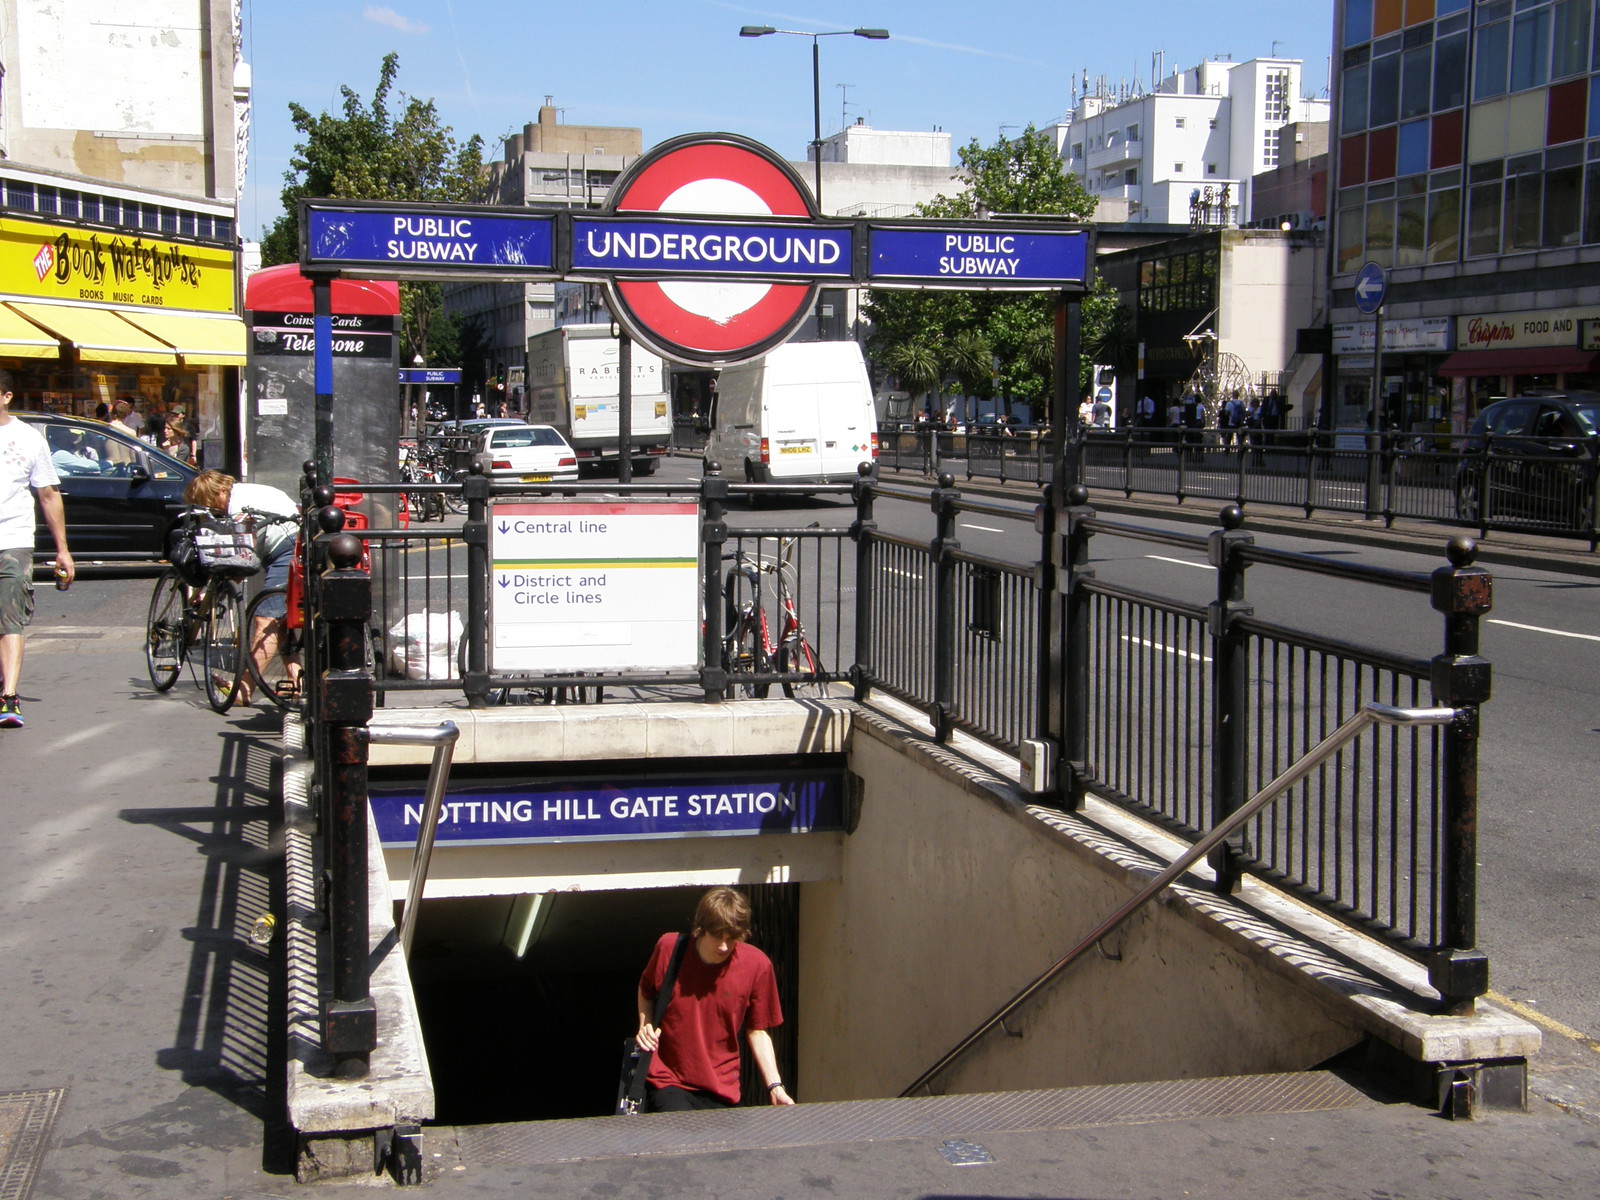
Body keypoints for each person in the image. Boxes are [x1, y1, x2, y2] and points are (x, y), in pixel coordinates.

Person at [634, 886, 791, 1112]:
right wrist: (645, 1024)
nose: (724, 946)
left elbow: (757, 1031)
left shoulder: (757, 965)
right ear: (701, 929)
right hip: (669, 1081)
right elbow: (646, 990)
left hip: (723, 1089)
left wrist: (775, 1086)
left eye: (732, 938)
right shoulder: (669, 948)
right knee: (684, 1143)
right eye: (717, 936)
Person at [183, 469, 300, 704]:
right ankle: (297, 680)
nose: (214, 510)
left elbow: (243, 557)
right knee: (279, 621)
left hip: (286, 550)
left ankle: (244, 689)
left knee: (264, 620)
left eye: (211, 503)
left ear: (221, 491)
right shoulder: (249, 491)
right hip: (294, 541)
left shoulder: (239, 508)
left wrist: (211, 588)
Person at [0, 370, 75, 728]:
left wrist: (63, 549)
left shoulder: (28, 439)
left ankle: (9, 696)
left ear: (6, 396)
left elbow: (47, 494)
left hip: (12, 539)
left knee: (9, 617)